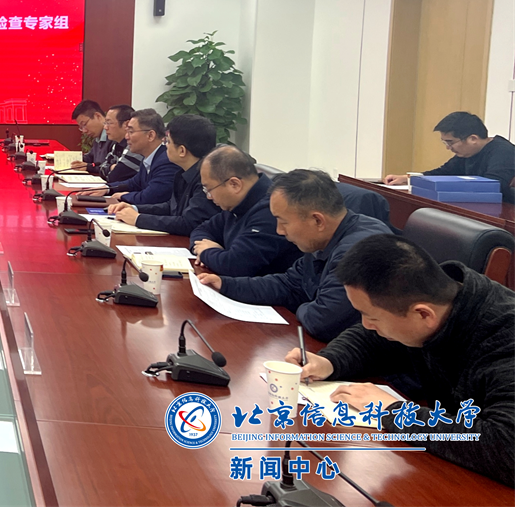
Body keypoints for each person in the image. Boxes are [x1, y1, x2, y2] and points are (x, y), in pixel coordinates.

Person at [285, 235, 515, 489]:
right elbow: (373, 340)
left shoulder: (504, 338)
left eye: (372, 318)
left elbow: (506, 447)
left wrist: (394, 411)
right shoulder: (436, 301)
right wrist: (329, 361)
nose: (366, 325)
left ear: (423, 314)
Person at [197, 169, 390, 340]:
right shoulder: (321, 239)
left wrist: (302, 304)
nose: (279, 231)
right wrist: (226, 285)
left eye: (283, 222)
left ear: (317, 221)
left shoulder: (359, 251)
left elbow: (321, 322)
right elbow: (288, 285)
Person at [189, 146, 301, 276]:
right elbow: (202, 229)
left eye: (209, 189)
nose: (209, 197)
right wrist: (209, 251)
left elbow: (235, 266)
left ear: (234, 184)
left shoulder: (271, 209)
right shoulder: (236, 204)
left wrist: (207, 253)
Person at [111, 114, 218, 235]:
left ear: (182, 151)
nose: (165, 145)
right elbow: (171, 207)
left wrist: (138, 219)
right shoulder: (183, 172)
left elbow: (189, 223)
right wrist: (135, 208)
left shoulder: (207, 180)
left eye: (168, 142)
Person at [383, 111, 515, 203]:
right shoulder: (467, 153)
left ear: (473, 139)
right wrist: (409, 179)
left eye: (450, 142)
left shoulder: (504, 152)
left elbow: (493, 186)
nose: (448, 148)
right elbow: (444, 172)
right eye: (445, 143)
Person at [104, 109, 181, 207]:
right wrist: (107, 188)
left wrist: (124, 196)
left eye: (131, 131)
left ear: (150, 135)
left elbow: (151, 197)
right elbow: (133, 183)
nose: (126, 136)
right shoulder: (149, 157)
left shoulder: (167, 161)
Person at [98, 104, 142, 184]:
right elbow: (101, 169)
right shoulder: (117, 145)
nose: (105, 127)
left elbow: (114, 177)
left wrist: (111, 168)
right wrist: (111, 167)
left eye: (109, 123)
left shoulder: (135, 146)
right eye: (105, 123)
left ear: (126, 124)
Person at [71, 100, 110, 172]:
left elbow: (110, 168)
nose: (84, 131)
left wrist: (88, 167)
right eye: (81, 127)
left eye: (84, 124)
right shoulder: (98, 137)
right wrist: (67, 158)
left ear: (98, 116)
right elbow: (90, 157)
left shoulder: (113, 138)